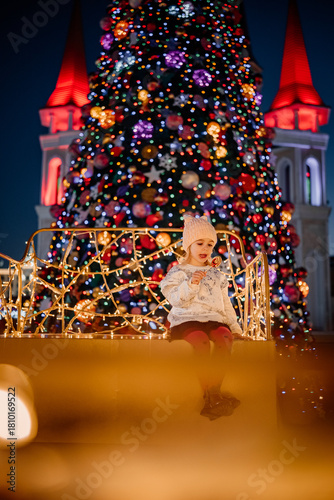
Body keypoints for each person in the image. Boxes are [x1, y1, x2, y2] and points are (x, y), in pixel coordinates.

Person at [160, 214, 248, 420]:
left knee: (225, 337)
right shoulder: (178, 272)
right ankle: (210, 397)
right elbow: (175, 299)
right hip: (186, 320)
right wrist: (190, 285)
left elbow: (225, 303)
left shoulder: (216, 274)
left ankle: (214, 393)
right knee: (200, 342)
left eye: (210, 244)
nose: (205, 249)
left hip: (213, 319)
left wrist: (234, 328)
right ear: (188, 244)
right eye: (200, 243)